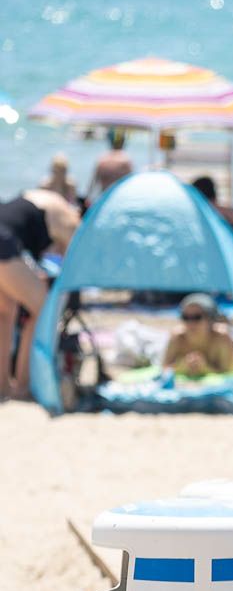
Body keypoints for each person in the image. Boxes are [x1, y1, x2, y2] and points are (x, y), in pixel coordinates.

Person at [0, 188, 79, 400]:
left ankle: (3, 387)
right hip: (4, 246)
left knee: (5, 317)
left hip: (6, 243)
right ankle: (24, 384)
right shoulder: (71, 219)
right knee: (43, 310)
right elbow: (74, 260)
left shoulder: (39, 199)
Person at [161, 292, 233, 379]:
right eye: (186, 317)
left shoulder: (221, 337)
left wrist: (205, 369)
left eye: (197, 317)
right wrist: (181, 367)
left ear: (210, 319)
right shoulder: (177, 337)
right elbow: (164, 368)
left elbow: (229, 372)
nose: (190, 323)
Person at [88, 128, 134, 204]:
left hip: (104, 200)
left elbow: (92, 185)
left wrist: (88, 199)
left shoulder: (102, 160)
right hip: (121, 201)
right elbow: (131, 184)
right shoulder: (125, 160)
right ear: (123, 141)